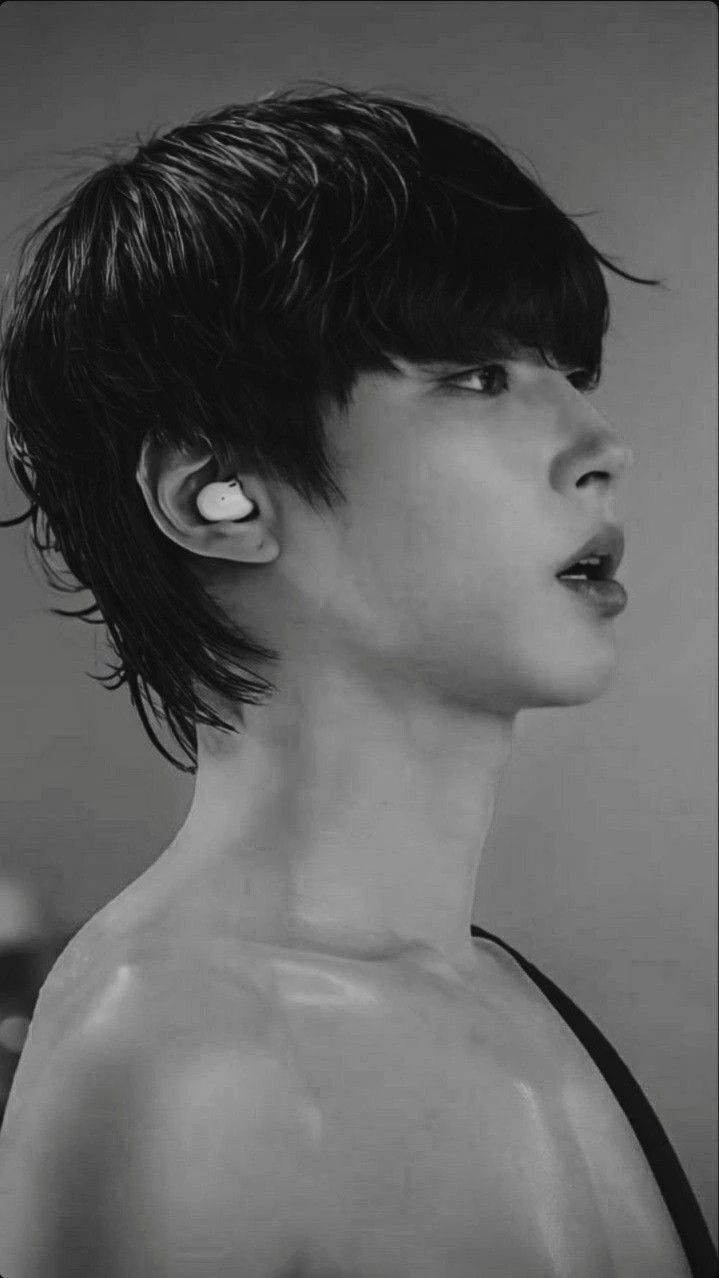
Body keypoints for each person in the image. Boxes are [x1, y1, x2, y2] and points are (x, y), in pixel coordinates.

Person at [0, 83, 715, 1278]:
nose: (601, 446)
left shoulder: (501, 990)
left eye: (566, 369)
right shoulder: (179, 1068)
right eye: (476, 375)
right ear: (218, 496)